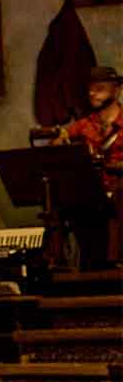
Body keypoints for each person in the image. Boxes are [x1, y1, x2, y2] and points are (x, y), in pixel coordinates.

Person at [54, 66, 123, 265]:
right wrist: (69, 149)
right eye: (90, 89)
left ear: (116, 90)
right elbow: (56, 146)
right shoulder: (84, 124)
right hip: (91, 196)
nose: (92, 94)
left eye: (100, 88)